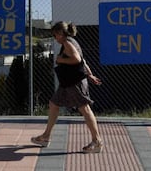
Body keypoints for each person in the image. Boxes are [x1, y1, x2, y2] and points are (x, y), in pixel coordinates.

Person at [31, 21, 103, 153]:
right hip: (67, 83)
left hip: (74, 82)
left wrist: (60, 60)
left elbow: (77, 59)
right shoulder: (72, 42)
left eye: (55, 35)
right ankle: (46, 137)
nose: (54, 38)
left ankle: (97, 141)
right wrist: (90, 74)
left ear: (60, 33)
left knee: (85, 109)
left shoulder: (68, 43)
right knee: (53, 104)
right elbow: (83, 60)